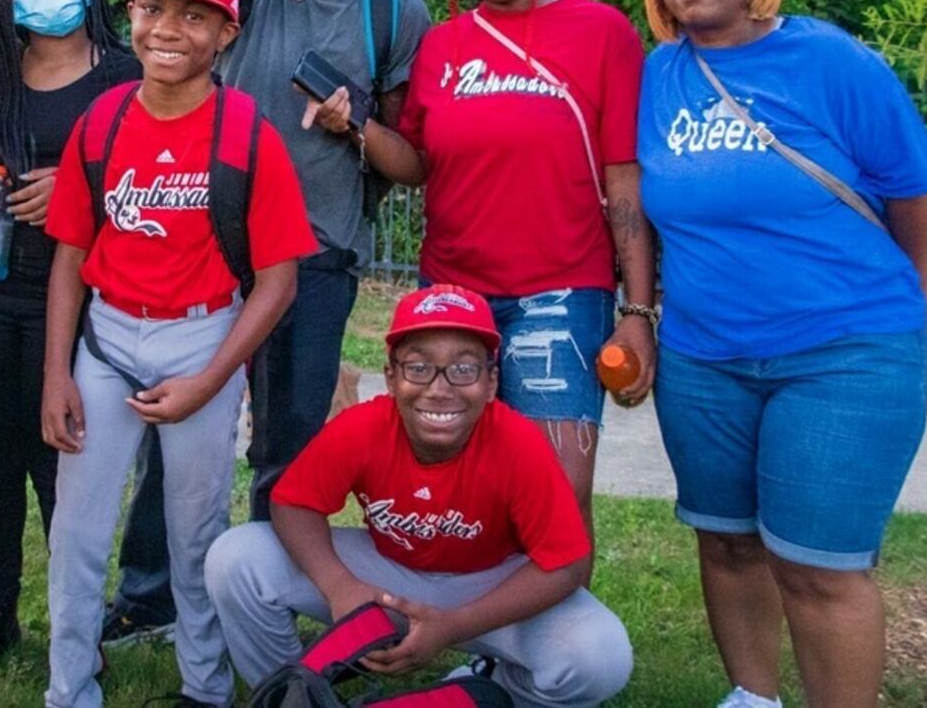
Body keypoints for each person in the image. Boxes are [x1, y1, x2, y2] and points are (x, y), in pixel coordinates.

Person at [102, 0, 432, 645]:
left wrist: (353, 128)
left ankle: (257, 596)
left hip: (317, 256)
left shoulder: (396, 7)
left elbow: (406, 156)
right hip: (204, 244)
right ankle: (151, 598)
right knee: (172, 426)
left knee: (287, 446)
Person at [635, 0, 927, 708]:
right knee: (728, 544)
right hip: (705, 360)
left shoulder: (831, 61)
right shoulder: (660, 76)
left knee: (817, 565)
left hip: (841, 352)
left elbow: (913, 195)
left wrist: (913, 303)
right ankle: (753, 698)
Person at [313, 0, 656, 554]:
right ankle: (483, 646)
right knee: (465, 485)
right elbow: (416, 165)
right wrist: (354, 127)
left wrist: (637, 311)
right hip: (452, 294)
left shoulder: (602, 32)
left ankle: (552, 655)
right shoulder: (442, 47)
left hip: (561, 292)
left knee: (556, 493)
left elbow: (624, 182)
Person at [39, 0, 318, 708]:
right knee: (79, 534)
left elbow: (278, 281)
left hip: (203, 334)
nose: (167, 28)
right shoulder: (100, 123)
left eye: (195, 16)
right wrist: (58, 372)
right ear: (129, 12)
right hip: (106, 338)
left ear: (228, 33)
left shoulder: (246, 133)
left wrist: (211, 379)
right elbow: (68, 256)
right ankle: (70, 690)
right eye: (151, 6)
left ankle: (204, 685)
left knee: (196, 536)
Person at [205, 284, 633, 707]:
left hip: (490, 585)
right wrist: (340, 587)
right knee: (237, 557)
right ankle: (295, 693)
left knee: (601, 655)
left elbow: (567, 564)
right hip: (387, 579)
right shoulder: (364, 428)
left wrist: (453, 626)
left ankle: (491, 688)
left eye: (463, 369)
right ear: (390, 377)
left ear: (491, 381)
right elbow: (293, 503)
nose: (440, 388)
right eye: (419, 367)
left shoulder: (518, 444)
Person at [0, 0, 141, 679]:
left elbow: (162, 185)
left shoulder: (128, 76)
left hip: (81, 309)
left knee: (65, 470)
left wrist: (84, 191)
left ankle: (75, 624)